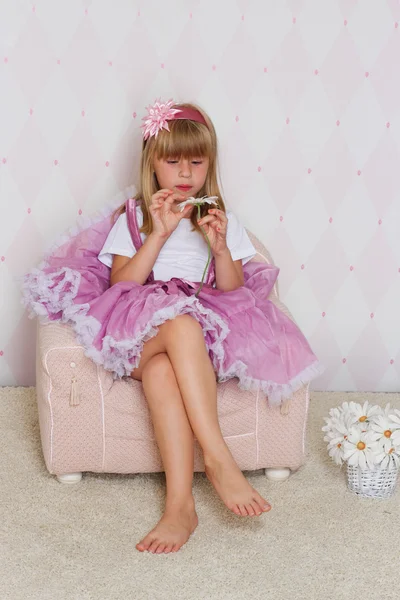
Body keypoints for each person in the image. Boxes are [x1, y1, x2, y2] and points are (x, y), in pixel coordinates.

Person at [22, 98, 323, 556]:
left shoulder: (218, 218)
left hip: (201, 336)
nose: (185, 173)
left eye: (196, 162)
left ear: (210, 166)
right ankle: (219, 457)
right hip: (137, 330)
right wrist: (159, 231)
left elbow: (235, 290)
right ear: (152, 164)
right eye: (173, 161)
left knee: (166, 370)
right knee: (179, 324)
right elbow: (122, 283)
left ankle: (179, 506)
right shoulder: (136, 216)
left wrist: (220, 248)